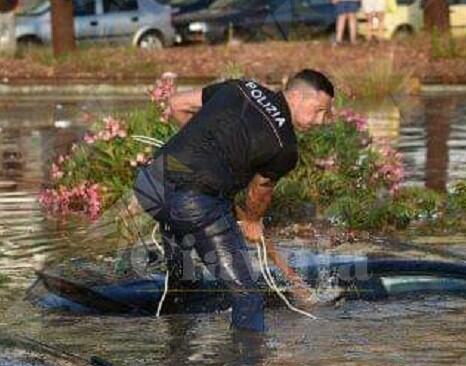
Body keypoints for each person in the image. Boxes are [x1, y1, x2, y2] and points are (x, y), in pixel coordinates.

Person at [133, 69, 335, 332]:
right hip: (193, 201)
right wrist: (252, 220)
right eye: (318, 110)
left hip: (150, 184)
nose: (320, 121)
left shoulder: (241, 88)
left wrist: (208, 147)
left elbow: (177, 104)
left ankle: (177, 355)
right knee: (249, 297)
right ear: (295, 95)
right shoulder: (285, 146)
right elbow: (257, 194)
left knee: (185, 280)